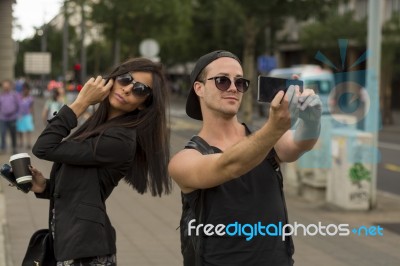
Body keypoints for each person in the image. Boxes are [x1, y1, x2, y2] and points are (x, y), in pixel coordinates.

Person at [168, 50, 322, 265]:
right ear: (199, 88)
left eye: (240, 82)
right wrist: (274, 127)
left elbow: (299, 145)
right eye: (222, 81)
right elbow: (228, 166)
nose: (233, 87)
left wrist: (312, 119)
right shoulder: (185, 160)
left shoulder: (267, 139)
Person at [29, 57, 171, 264]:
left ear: (143, 105)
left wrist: (81, 102)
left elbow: (44, 147)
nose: (127, 89)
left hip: (86, 253)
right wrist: (44, 187)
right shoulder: (100, 126)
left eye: (140, 89)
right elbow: (84, 189)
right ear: (113, 80)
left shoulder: (120, 139)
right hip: (74, 245)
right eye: (125, 79)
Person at [0, 79, 21, 154]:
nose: (5, 88)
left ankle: (14, 148)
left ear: (10, 86)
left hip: (12, 118)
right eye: (4, 86)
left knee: (13, 133)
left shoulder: (14, 95)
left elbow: (19, 105)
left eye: (7, 86)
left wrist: (18, 114)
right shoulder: (1, 95)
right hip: (3, 118)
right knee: (2, 133)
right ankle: (3, 148)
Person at [16, 82, 35, 149]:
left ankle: (29, 143)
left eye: (27, 89)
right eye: (24, 89)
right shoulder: (18, 97)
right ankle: (21, 142)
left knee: (28, 130)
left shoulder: (31, 98)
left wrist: (32, 117)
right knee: (20, 130)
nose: (25, 90)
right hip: (20, 115)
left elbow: (31, 108)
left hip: (27, 115)